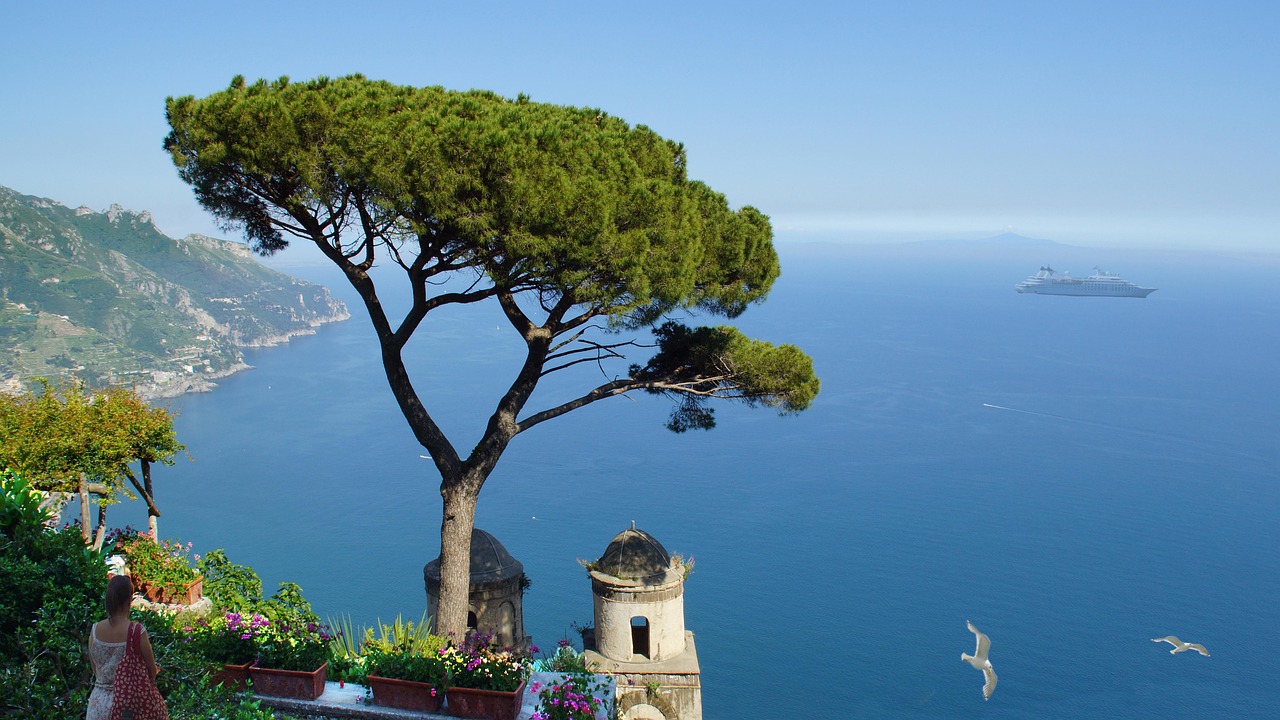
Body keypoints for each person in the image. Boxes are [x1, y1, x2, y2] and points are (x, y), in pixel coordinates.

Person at [86, 574, 160, 720]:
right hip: (127, 706)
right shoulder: (137, 631)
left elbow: (95, 669)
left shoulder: (95, 631)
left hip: (97, 704)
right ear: (129, 600)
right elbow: (152, 671)